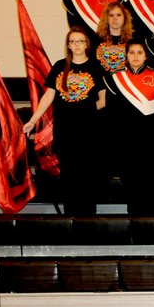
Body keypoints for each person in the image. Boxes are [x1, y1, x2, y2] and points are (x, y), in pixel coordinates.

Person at [23, 27, 107, 216]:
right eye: (73, 41)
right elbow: (48, 96)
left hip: (89, 130)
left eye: (81, 41)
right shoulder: (60, 66)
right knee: (69, 175)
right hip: (65, 129)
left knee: (87, 175)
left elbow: (104, 98)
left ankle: (88, 218)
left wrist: (86, 110)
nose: (77, 45)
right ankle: (71, 217)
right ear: (68, 45)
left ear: (87, 44)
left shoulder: (96, 66)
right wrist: (32, 120)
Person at [102, 40, 154, 216]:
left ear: (146, 56)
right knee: (130, 185)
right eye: (132, 52)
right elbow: (111, 113)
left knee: (150, 183)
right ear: (126, 56)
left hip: (150, 142)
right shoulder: (115, 79)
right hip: (125, 143)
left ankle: (150, 222)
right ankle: (133, 224)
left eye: (139, 53)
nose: (135, 56)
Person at [94, 1, 134, 74]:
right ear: (106, 18)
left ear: (125, 17)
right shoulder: (95, 39)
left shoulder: (133, 40)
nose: (115, 18)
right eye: (111, 15)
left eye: (118, 15)